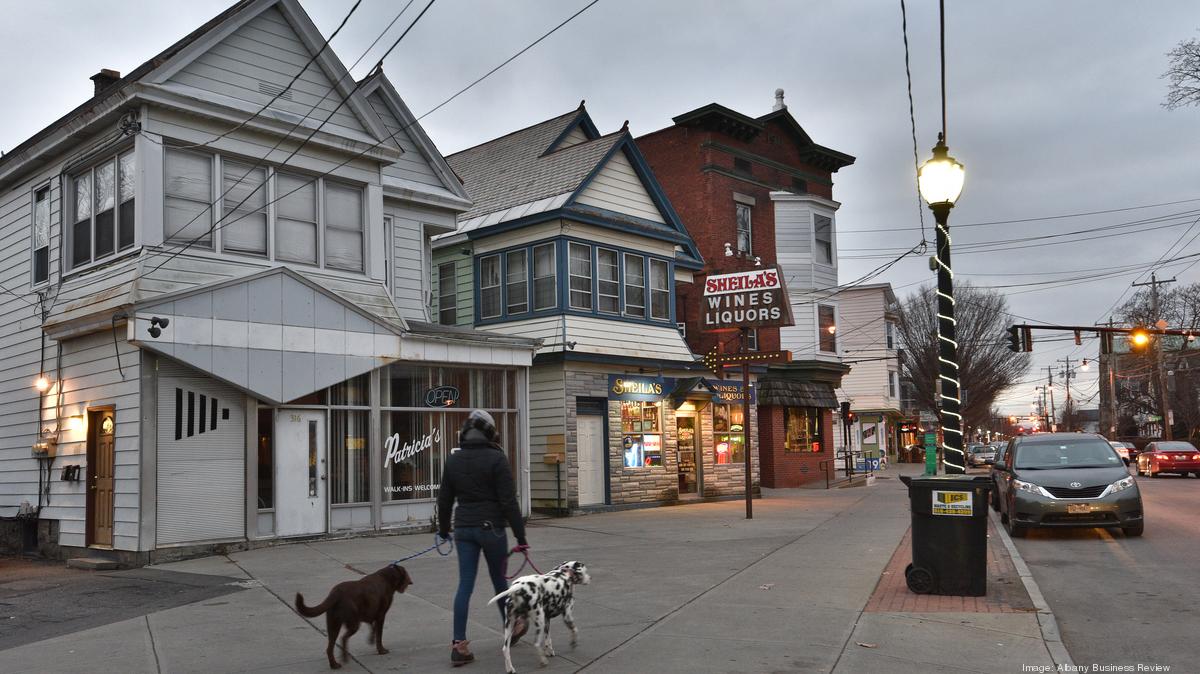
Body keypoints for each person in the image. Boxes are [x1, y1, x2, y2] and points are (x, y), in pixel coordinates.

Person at [437, 409, 529, 667]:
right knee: (500, 582)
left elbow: (444, 501)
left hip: (464, 528)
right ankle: (512, 627)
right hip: (491, 529)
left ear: (465, 432)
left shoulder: (453, 459)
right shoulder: (497, 458)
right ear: (490, 433)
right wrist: (520, 537)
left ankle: (459, 645)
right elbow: (509, 502)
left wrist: (444, 531)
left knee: (464, 585)